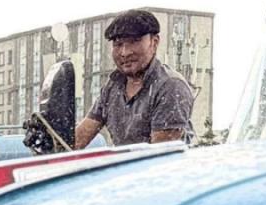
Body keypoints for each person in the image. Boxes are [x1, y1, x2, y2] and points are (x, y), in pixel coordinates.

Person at [74, 9, 195, 149]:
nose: (125, 52)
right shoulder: (113, 86)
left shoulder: (170, 86)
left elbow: (160, 154)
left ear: (154, 42)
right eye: (118, 44)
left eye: (133, 42)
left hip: (158, 163)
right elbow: (78, 140)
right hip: (126, 162)